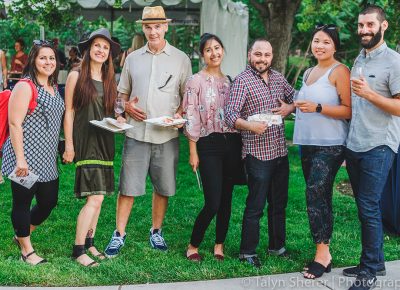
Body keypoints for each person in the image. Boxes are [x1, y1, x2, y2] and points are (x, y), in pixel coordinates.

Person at [104, 6, 192, 258]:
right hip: (136, 134)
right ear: (142, 28)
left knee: (163, 188)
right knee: (128, 188)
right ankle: (119, 234)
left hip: (166, 135)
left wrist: (180, 116)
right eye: (148, 27)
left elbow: (188, 96)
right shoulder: (132, 58)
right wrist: (125, 107)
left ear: (166, 27)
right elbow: (121, 98)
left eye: (157, 26)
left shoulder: (181, 59)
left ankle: (156, 231)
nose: (152, 31)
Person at [343, 5, 400, 290]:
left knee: (368, 206)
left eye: (369, 25)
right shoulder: (359, 58)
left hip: (379, 144)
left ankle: (369, 272)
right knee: (366, 206)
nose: (364, 30)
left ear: (383, 26)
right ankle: (375, 261)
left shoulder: (394, 62)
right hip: (355, 144)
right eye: (361, 25)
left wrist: (368, 93)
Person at [225, 38, 295, 268]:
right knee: (255, 205)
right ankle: (247, 252)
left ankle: (277, 247)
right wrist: (250, 126)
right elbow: (230, 116)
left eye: (266, 55)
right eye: (258, 54)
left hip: (279, 151)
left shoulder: (277, 78)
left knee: (278, 203)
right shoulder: (242, 81)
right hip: (257, 154)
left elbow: (295, 97)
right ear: (249, 55)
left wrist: (289, 107)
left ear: (271, 57)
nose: (262, 59)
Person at [292, 24, 351, 279]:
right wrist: (288, 108)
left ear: (335, 46)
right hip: (308, 142)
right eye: (316, 40)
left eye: (326, 42)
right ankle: (323, 250)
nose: (320, 45)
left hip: (331, 143)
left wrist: (317, 107)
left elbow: (348, 110)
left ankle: (322, 253)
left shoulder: (340, 71)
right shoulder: (308, 72)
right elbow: (302, 105)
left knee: (315, 193)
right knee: (319, 195)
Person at [1, 40, 64, 265]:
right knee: (22, 203)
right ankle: (27, 250)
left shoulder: (54, 87)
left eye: (51, 58)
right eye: (42, 58)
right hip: (23, 158)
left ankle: (21, 233)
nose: (48, 62)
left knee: (48, 202)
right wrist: (20, 160)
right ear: (33, 60)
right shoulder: (25, 86)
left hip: (47, 159)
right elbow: (15, 123)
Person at [63, 28, 121, 267]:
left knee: (100, 198)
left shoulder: (109, 80)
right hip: (86, 142)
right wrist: (69, 146)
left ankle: (90, 243)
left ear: (109, 54)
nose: (101, 50)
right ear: (88, 49)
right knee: (94, 198)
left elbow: (112, 112)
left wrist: (121, 120)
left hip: (105, 141)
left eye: (105, 47)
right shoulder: (76, 76)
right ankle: (78, 250)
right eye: (97, 45)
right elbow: (69, 112)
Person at [183, 33, 241, 262]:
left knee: (226, 199)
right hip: (207, 144)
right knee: (213, 201)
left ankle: (219, 244)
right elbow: (191, 117)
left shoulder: (231, 81)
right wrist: (193, 150)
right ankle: (193, 244)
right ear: (202, 54)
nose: (214, 53)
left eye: (217, 48)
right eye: (208, 50)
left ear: (223, 50)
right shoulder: (195, 81)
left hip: (231, 143)